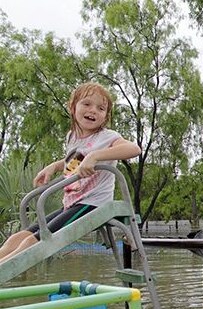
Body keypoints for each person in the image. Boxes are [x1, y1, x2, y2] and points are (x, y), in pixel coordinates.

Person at [0, 82, 141, 264]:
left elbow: (134, 149)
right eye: (87, 104)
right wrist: (54, 166)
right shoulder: (72, 137)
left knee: (33, 241)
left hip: (92, 204)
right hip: (71, 203)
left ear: (106, 116)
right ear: (73, 107)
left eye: (101, 108)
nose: (93, 110)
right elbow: (74, 161)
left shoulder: (107, 137)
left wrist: (96, 156)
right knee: (18, 237)